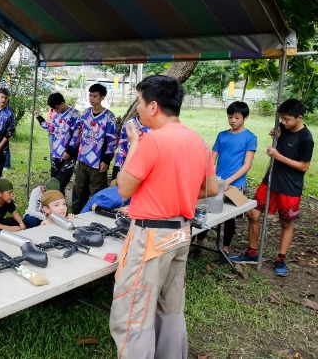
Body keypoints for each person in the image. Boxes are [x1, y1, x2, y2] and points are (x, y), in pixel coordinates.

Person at [111, 75, 218, 359]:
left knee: (134, 309)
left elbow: (123, 188)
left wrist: (133, 144)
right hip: (182, 231)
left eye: (140, 104)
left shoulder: (152, 141)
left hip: (151, 236)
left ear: (154, 106)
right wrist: (174, 194)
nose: (138, 111)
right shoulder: (198, 141)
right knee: (170, 306)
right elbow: (211, 187)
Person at [231, 99, 313, 277]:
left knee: (286, 222)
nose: (284, 122)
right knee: (253, 213)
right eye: (282, 119)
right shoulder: (283, 129)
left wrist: (278, 156)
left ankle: (281, 259)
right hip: (270, 180)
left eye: (287, 119)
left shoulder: (306, 138)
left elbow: (304, 166)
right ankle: (252, 253)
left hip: (290, 186)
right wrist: (276, 135)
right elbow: (281, 135)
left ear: (299, 118)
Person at [193, 101, 257, 257]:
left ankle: (225, 249)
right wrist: (208, 177)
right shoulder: (222, 135)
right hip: (217, 183)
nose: (233, 120)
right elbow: (212, 159)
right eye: (230, 117)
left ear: (245, 117)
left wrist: (229, 181)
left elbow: (246, 165)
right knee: (206, 210)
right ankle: (198, 244)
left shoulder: (250, 137)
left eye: (237, 117)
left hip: (236, 185)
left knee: (230, 217)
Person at [69, 83, 117, 213]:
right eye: (90, 95)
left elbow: (112, 140)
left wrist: (106, 160)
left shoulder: (109, 117)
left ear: (102, 97)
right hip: (82, 159)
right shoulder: (85, 113)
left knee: (97, 191)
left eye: (94, 96)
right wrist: (71, 150)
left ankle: (96, 215)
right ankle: (76, 214)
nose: (91, 98)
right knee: (79, 189)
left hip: (98, 161)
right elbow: (79, 133)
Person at [34, 93, 81, 193]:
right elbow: (51, 128)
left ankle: (59, 206)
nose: (54, 110)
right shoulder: (57, 115)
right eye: (53, 109)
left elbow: (77, 135)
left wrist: (69, 151)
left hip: (68, 155)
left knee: (61, 183)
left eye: (55, 107)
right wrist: (39, 118)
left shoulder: (75, 115)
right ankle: (55, 205)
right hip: (56, 154)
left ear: (62, 103)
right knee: (54, 183)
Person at [111, 115, 151, 184]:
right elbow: (122, 147)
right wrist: (116, 168)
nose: (138, 106)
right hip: (129, 169)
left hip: (148, 172)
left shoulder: (158, 126)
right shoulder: (129, 124)